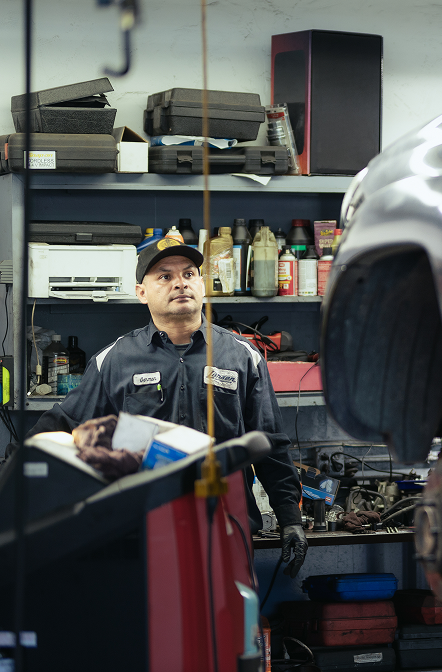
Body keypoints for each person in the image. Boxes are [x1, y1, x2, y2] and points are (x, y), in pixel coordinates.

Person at [29, 238, 309, 576]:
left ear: (201, 285)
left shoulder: (243, 356)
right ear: (141, 292)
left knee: (226, 623)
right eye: (164, 276)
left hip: (225, 526)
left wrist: (290, 519)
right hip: (141, 532)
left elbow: (271, 445)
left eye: (189, 273)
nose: (180, 283)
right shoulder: (114, 361)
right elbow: (59, 427)